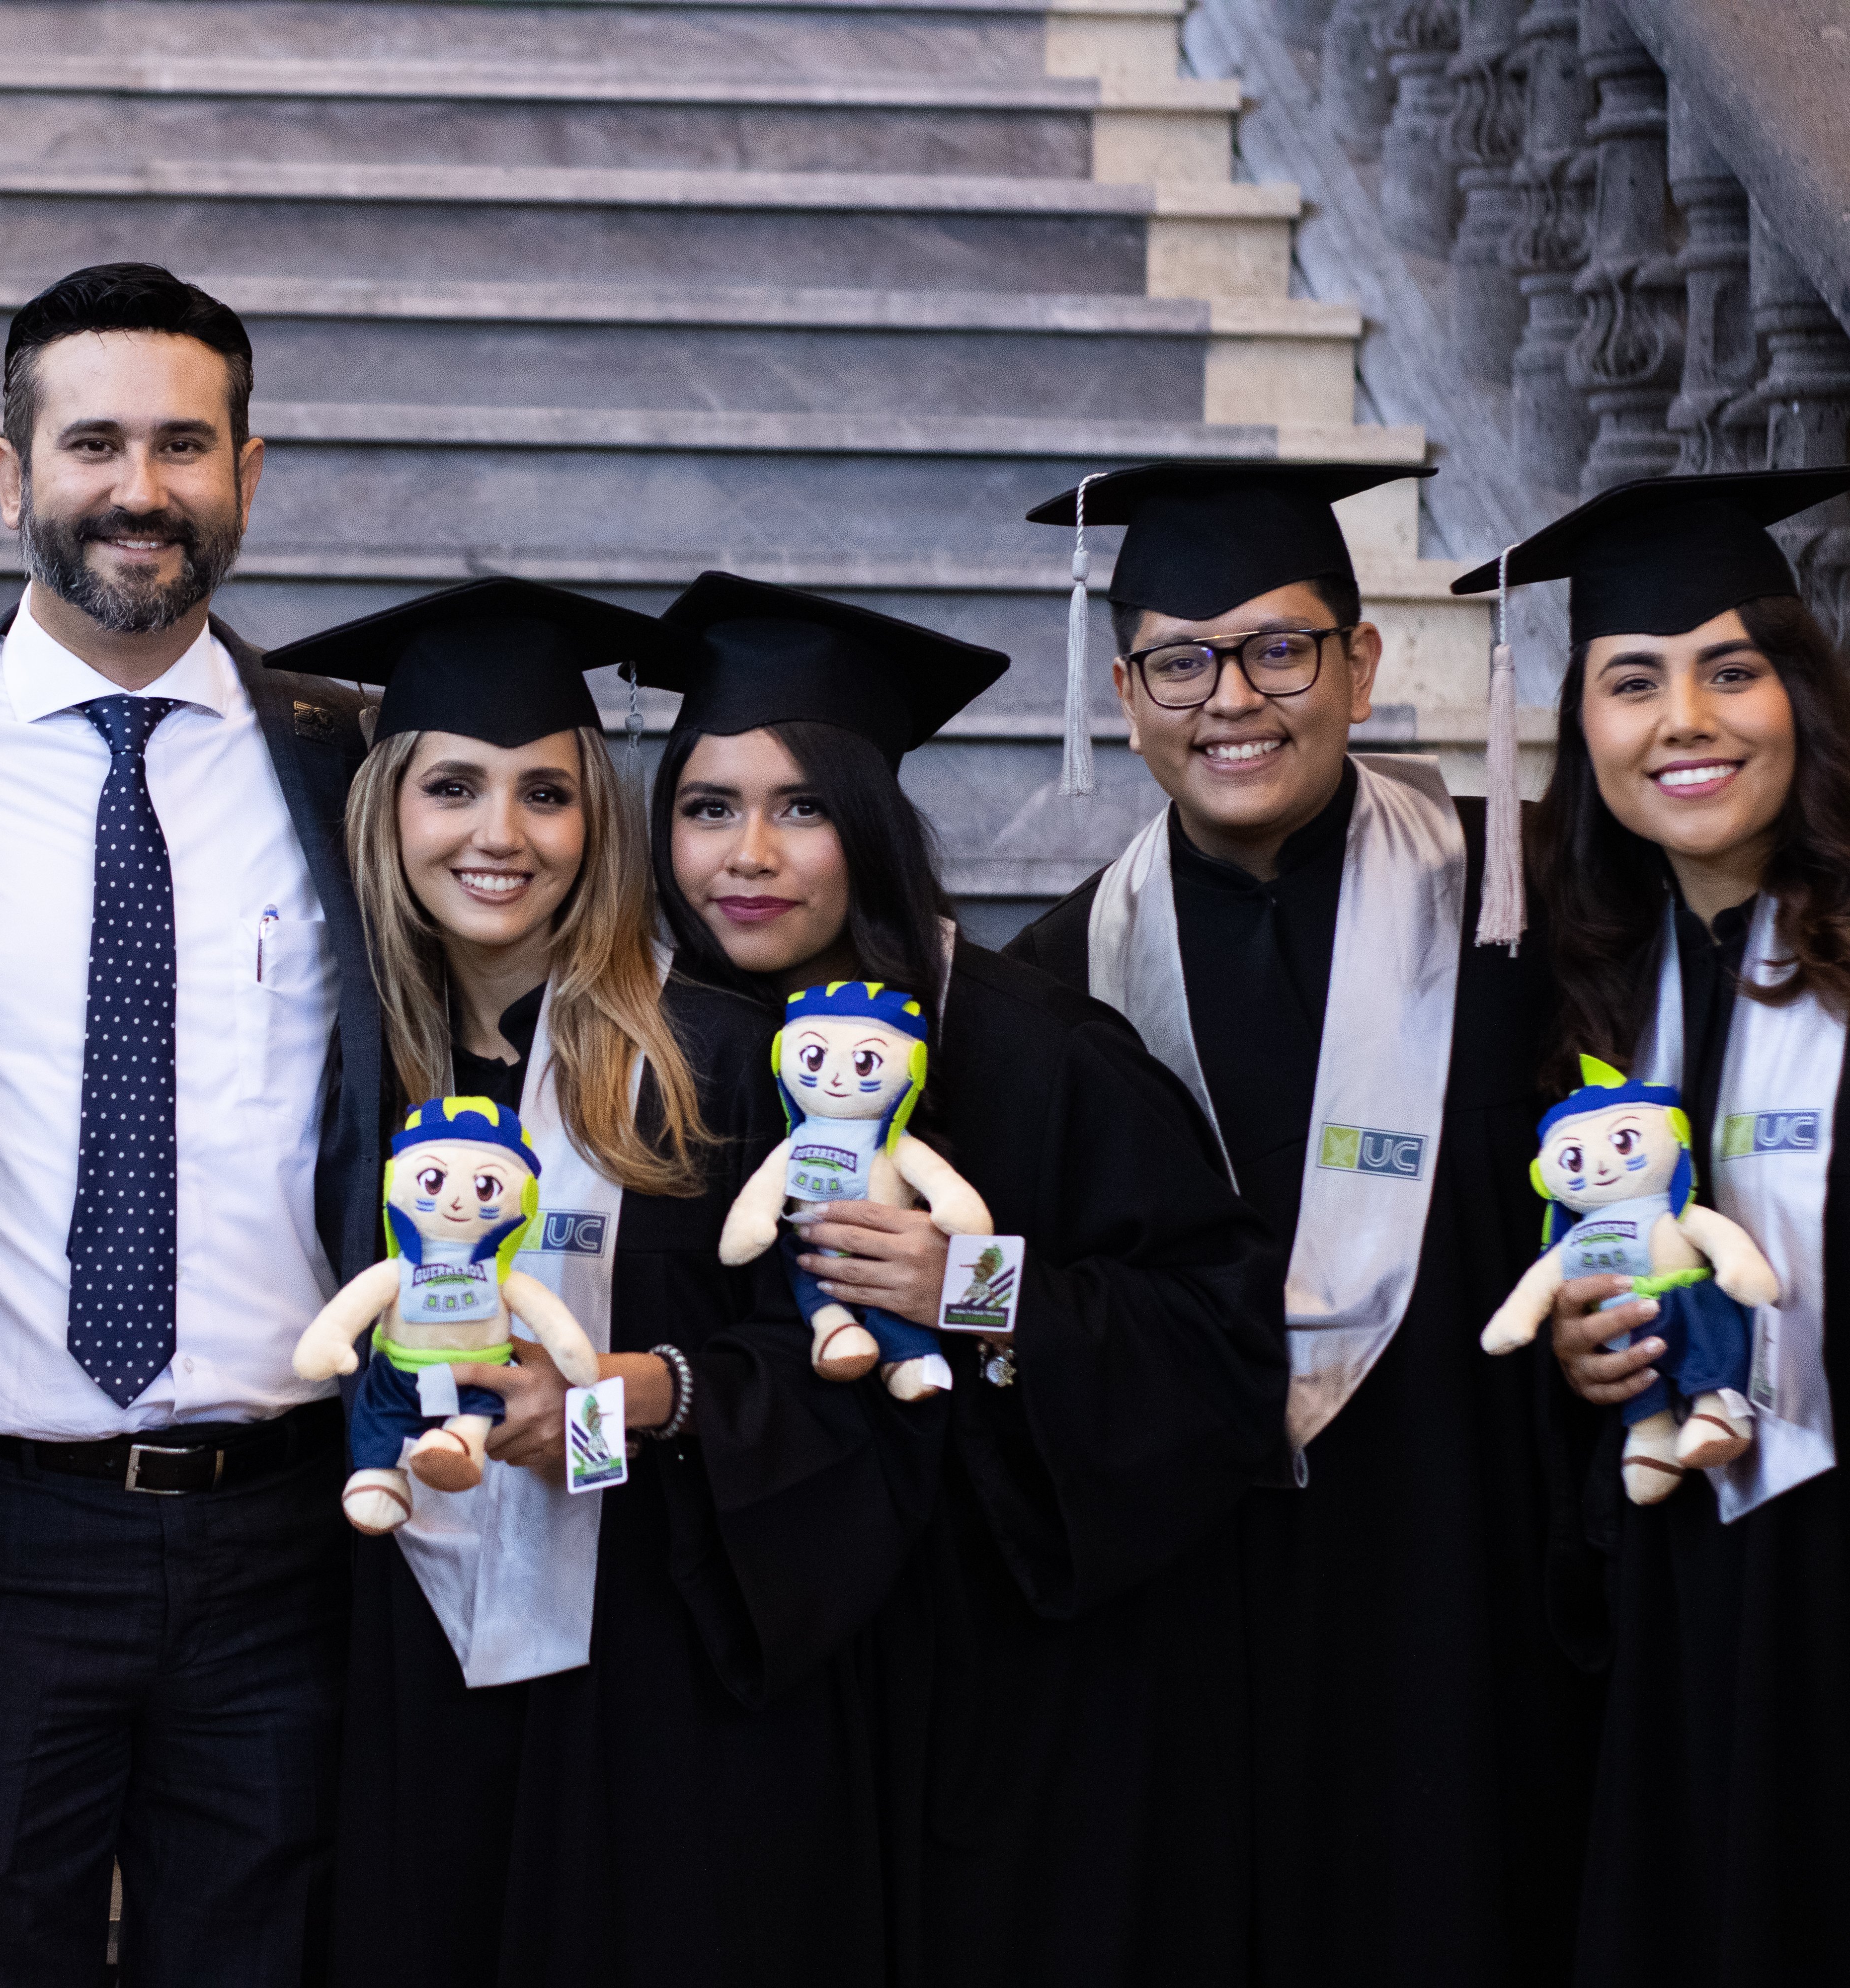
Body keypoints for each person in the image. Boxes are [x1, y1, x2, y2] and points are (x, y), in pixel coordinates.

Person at [0, 262, 377, 1987]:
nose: (140, 489)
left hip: (287, 1532)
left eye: (187, 444)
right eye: (92, 441)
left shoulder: (363, 767)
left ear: (251, 472)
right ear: (4, 469)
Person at [264, 577, 941, 1986]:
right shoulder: (337, 1079)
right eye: (453, 787)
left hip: (660, 1671)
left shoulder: (712, 1063)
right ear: (388, 812)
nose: (499, 836)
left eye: (547, 795)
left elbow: (844, 1378)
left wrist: (653, 1391)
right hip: (407, 1660)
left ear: (601, 825)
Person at [997, 463, 1604, 1987]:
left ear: (1362, 663)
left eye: (1279, 648)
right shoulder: (1058, 977)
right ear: (1126, 693)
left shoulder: (1521, 904)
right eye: (1181, 661)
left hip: (1463, 1582)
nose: (1233, 700)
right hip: (1191, 1614)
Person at [644, 570, 1289, 1988]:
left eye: (801, 807)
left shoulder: (1042, 1052)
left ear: (870, 829)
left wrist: (981, 1290)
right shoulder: (644, 1057)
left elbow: (1224, 1353)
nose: (746, 857)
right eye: (706, 808)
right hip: (750, 1689)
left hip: (999, 1702)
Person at [1462, 468, 1850, 1988]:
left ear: (1802, 697)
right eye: (1633, 682)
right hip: (1678, 1577)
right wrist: (1574, 1337)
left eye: (1732, 671)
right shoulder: (1573, 989)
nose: (1684, 720)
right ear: (1584, 729)